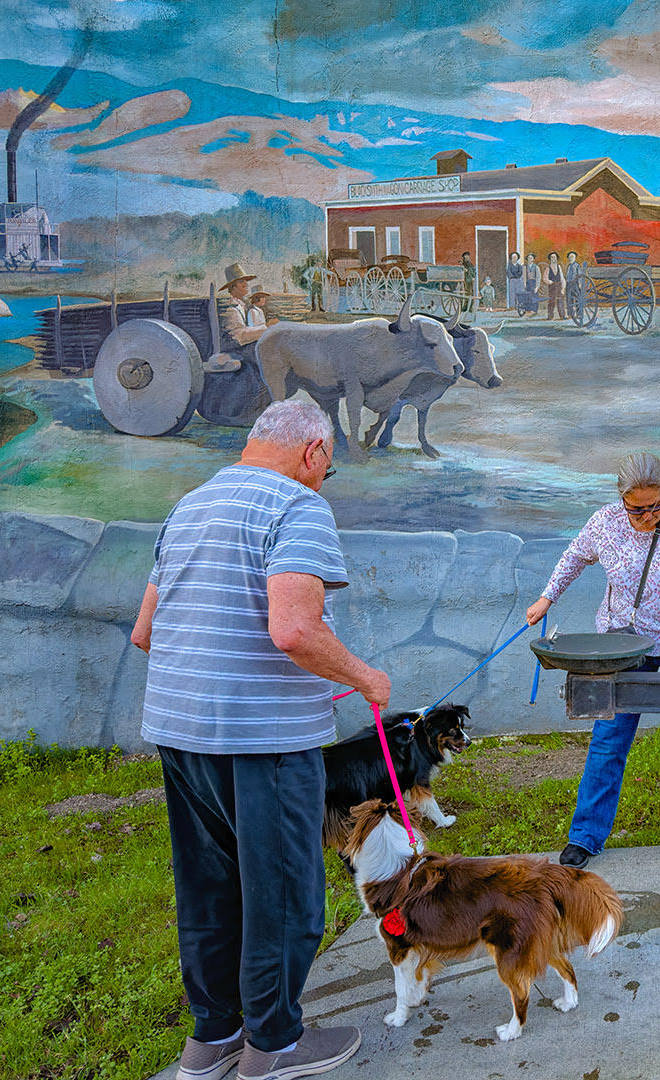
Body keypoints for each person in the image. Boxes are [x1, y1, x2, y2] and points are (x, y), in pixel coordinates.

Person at [131, 399, 391, 1080]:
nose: (321, 481)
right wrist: (366, 679)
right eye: (326, 469)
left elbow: (145, 633)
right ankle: (272, 1045)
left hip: (179, 733)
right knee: (284, 896)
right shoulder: (297, 507)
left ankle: (212, 1040)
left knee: (210, 889)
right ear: (311, 452)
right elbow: (294, 631)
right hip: (264, 744)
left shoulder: (189, 505)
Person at [525, 452, 660, 869]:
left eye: (656, 506)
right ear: (622, 500)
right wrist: (548, 596)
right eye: (636, 509)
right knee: (609, 742)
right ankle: (585, 836)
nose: (646, 516)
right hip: (621, 649)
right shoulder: (605, 522)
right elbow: (574, 556)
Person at [520, 251, 542, 316]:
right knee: (527, 297)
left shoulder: (536, 267)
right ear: (527, 259)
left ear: (533, 259)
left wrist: (537, 287)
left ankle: (534, 310)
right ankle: (528, 310)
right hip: (528, 283)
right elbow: (524, 276)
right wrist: (524, 284)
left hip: (534, 283)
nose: (530, 259)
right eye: (529, 258)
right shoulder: (525, 267)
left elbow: (538, 277)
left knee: (534, 297)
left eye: (531, 258)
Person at [545, 251, 566, 320]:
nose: (553, 259)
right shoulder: (548, 268)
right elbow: (544, 278)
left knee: (560, 301)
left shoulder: (559, 267)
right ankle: (550, 316)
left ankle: (562, 316)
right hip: (552, 287)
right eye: (552, 257)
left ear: (557, 259)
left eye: (554, 257)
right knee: (551, 301)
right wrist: (549, 281)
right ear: (550, 259)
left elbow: (562, 278)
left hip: (559, 286)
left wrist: (563, 288)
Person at [565, 251, 585, 323]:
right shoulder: (568, 266)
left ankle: (579, 314)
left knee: (577, 300)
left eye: (572, 257)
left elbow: (579, 275)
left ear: (575, 258)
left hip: (575, 284)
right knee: (569, 299)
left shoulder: (577, 265)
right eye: (570, 257)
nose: (571, 258)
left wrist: (579, 284)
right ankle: (570, 314)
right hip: (568, 284)